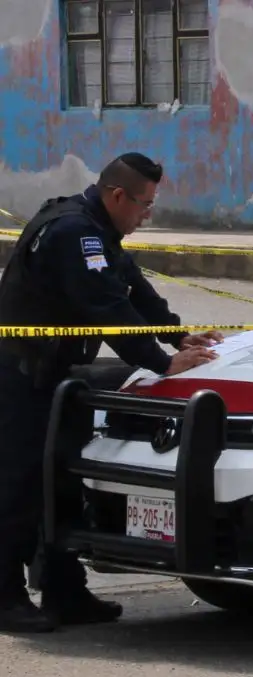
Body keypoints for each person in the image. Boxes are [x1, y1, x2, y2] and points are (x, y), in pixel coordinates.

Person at [0, 152, 223, 634]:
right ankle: (4, 595)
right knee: (20, 486)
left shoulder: (97, 229)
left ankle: (63, 590)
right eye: (144, 205)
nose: (147, 216)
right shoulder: (72, 232)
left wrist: (176, 334)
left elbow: (131, 286)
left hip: (63, 376)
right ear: (117, 195)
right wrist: (163, 362)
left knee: (62, 482)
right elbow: (108, 310)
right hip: (25, 376)